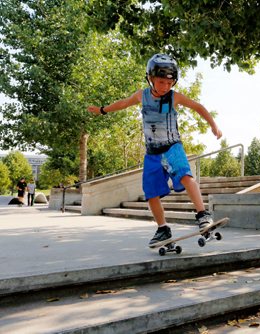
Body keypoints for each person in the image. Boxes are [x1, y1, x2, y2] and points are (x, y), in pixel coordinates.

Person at [87, 54, 222, 248]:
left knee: (185, 176)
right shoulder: (141, 96)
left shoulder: (175, 97)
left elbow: (197, 106)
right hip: (152, 154)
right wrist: (102, 110)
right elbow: (123, 103)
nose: (166, 86)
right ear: (150, 78)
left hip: (172, 147)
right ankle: (163, 229)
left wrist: (213, 125)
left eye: (170, 82)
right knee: (151, 193)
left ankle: (203, 215)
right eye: (161, 82)